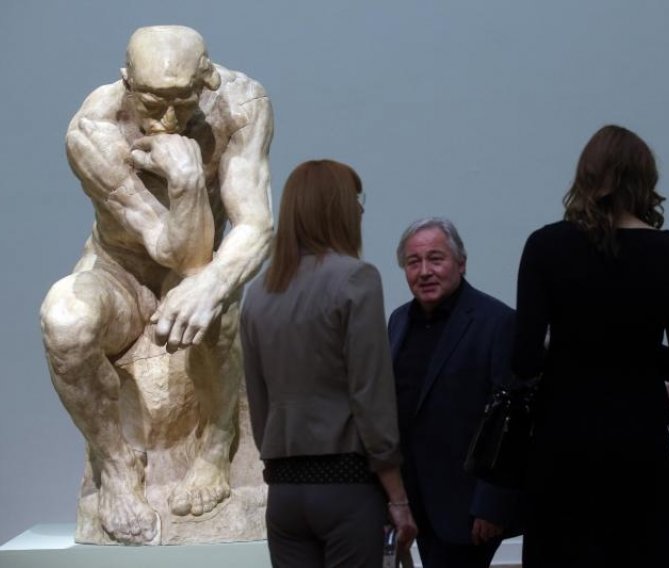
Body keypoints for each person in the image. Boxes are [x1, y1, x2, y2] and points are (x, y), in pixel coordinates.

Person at [39, 25, 274, 544]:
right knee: (64, 321)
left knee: (215, 299)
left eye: (182, 100)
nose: (167, 119)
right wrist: (187, 181)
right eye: (152, 103)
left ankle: (217, 446)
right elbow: (169, 246)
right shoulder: (93, 130)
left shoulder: (242, 104)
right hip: (120, 275)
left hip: (195, 265)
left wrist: (212, 283)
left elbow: (255, 225)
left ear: (207, 79)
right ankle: (117, 464)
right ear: (126, 82)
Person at [512, 125, 669, 567]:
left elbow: (523, 359)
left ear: (586, 175)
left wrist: (572, 344)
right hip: (639, 440)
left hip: (562, 439)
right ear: (645, 180)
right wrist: (636, 351)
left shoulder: (545, 246)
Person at [240, 160, 417, 567]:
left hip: (284, 493)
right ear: (336, 207)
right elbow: (370, 395)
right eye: (355, 199)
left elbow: (257, 398)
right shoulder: (356, 278)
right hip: (346, 487)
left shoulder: (258, 293)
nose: (360, 208)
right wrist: (398, 497)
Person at [388, 217, 519, 568]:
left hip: (468, 506)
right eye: (413, 262)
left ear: (461, 264)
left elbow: (511, 423)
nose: (424, 271)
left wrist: (493, 503)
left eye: (436, 259)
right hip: (415, 502)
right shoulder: (398, 321)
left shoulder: (498, 322)